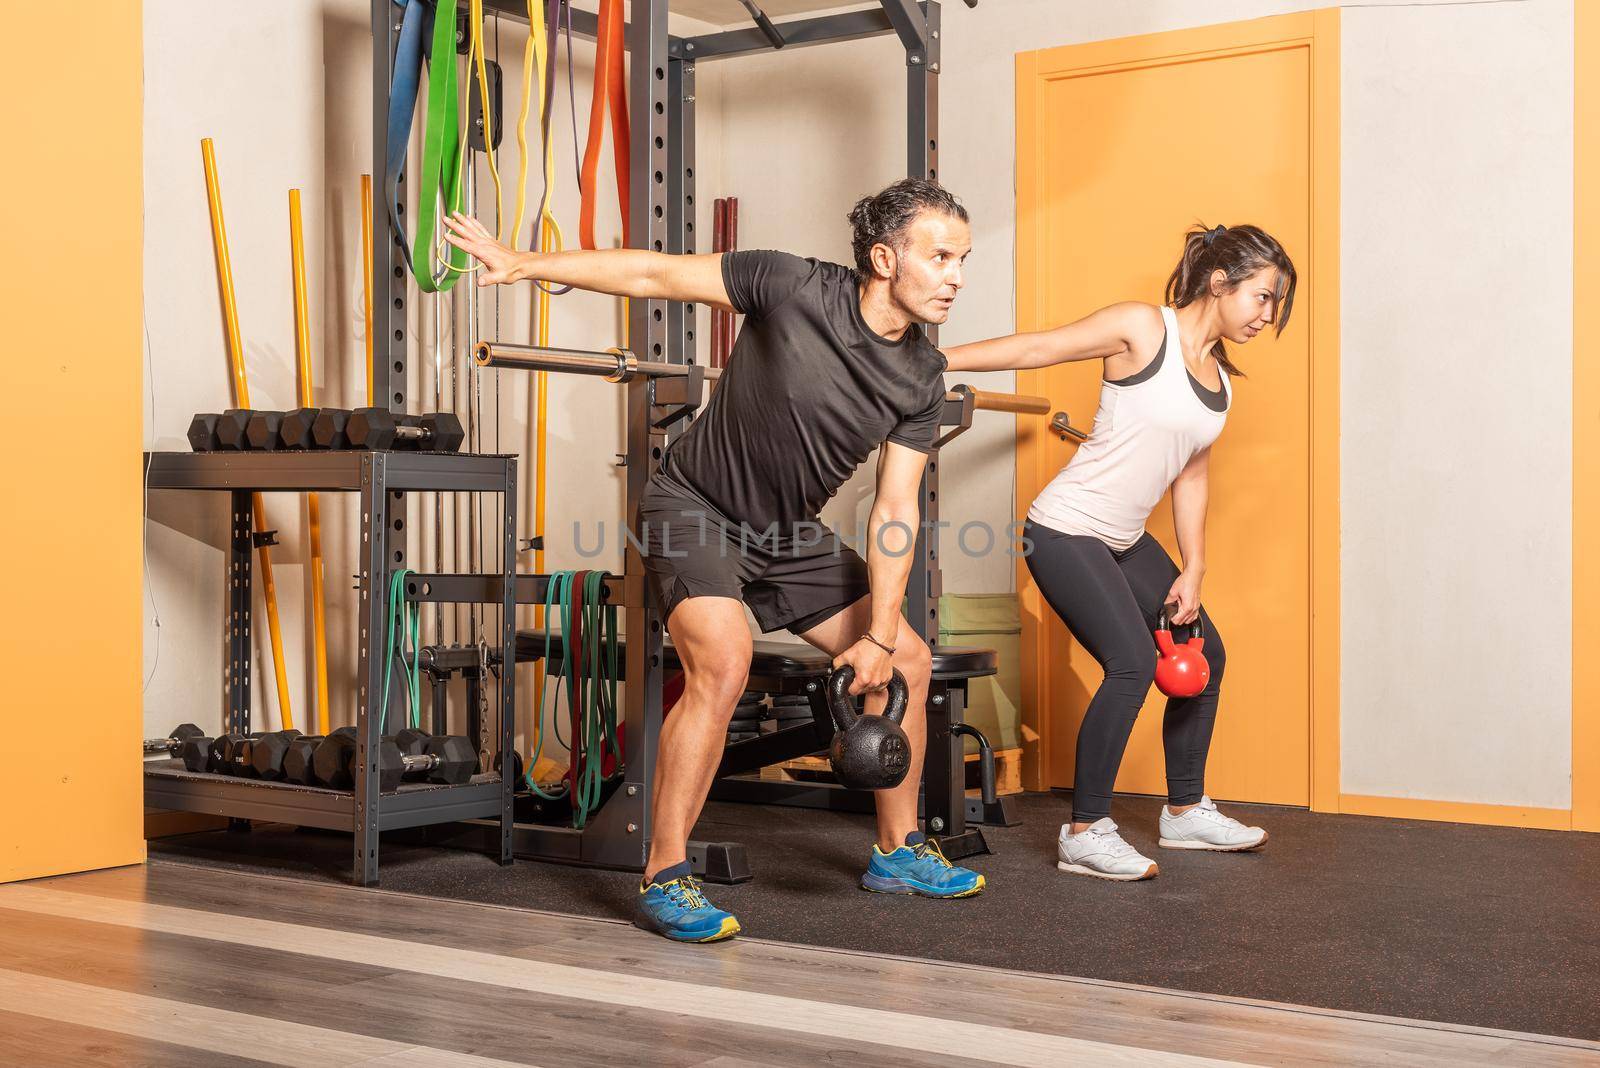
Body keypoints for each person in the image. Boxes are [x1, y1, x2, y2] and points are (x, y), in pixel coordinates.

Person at [444, 178, 986, 941]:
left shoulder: (921, 378)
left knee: (908, 663)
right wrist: (527, 263)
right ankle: (665, 872)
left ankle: (898, 852)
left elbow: (895, 508)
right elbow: (653, 273)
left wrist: (882, 632)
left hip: (785, 531)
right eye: (941, 257)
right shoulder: (789, 283)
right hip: (690, 508)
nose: (957, 276)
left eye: (963, 259)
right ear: (884, 258)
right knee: (725, 662)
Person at [943, 224, 1296, 881]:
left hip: (1126, 541)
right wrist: (936, 362)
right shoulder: (1142, 329)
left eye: (1275, 303)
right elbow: (1041, 346)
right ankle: (1085, 831)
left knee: (1204, 652)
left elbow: (1192, 475)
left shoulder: (1218, 379)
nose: (1267, 315)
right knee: (1132, 662)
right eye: (1263, 297)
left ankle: (1186, 812)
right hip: (1063, 530)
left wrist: (1194, 566)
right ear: (1220, 283)